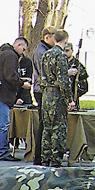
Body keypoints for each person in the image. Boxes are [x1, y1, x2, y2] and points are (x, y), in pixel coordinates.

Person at [0, 39, 30, 162]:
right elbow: (10, 76)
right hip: (4, 94)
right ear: (19, 45)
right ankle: (3, 151)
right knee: (3, 124)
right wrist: (22, 83)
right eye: (23, 49)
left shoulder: (3, 53)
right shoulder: (11, 55)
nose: (23, 52)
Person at [38, 30, 75, 167]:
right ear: (65, 41)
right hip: (57, 95)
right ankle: (56, 159)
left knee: (47, 127)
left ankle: (45, 157)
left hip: (46, 94)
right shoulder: (61, 56)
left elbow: (43, 75)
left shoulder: (46, 55)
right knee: (59, 128)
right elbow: (63, 81)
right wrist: (69, 99)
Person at [31, 27, 58, 165]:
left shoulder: (43, 50)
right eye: (55, 37)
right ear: (47, 37)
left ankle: (41, 155)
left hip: (41, 89)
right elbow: (46, 73)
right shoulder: (42, 52)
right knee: (44, 124)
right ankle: (39, 156)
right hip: (42, 90)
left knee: (45, 123)